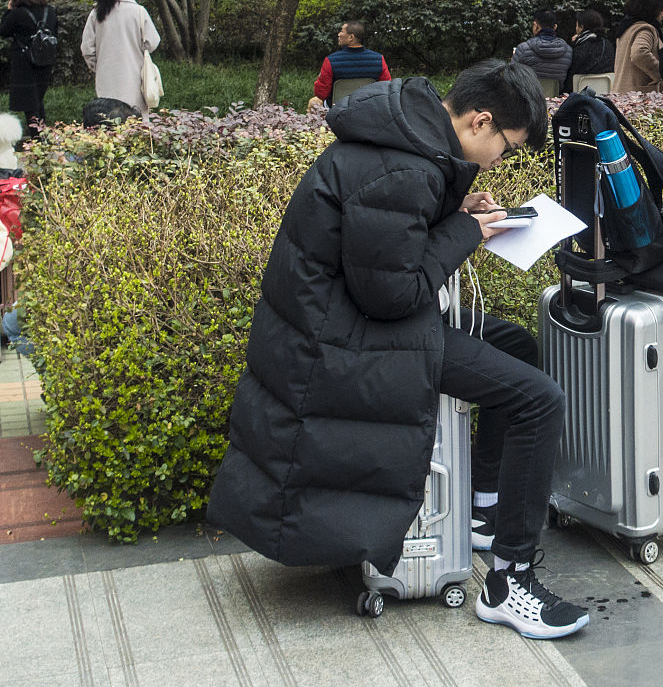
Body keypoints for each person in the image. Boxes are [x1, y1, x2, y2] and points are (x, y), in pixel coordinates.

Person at [206, 59, 590, 640]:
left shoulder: (409, 137)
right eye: (506, 148)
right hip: (349, 343)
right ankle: (510, 583)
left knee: (516, 345)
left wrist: (457, 212)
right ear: (480, 121)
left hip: (342, 322)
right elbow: (392, 295)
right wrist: (466, 231)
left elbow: (388, 238)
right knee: (540, 399)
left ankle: (485, 509)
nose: (500, 160)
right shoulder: (407, 169)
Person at [80, 0, 160, 119]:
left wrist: (98, 67)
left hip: (106, 80)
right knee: (135, 123)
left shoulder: (97, 14)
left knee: (108, 122)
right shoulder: (138, 11)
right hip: (134, 78)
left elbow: (87, 49)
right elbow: (152, 42)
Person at [1, 0, 57, 136]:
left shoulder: (17, 13)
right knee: (37, 100)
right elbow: (55, 33)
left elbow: (3, 31)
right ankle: (42, 135)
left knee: (29, 104)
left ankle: (37, 138)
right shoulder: (49, 11)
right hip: (45, 60)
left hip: (24, 63)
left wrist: (9, 10)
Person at [308, 20, 392, 111]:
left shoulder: (331, 60)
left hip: (337, 110)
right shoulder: (379, 59)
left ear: (351, 37)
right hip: (368, 109)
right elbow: (386, 88)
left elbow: (321, 93)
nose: (339, 34)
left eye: (342, 31)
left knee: (314, 102)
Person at [612, 0, 663, 93]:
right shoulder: (646, 29)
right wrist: (660, 73)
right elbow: (639, 53)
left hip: (622, 92)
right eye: (662, 10)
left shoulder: (627, 28)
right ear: (653, 9)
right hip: (640, 95)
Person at [511, 9, 572, 92]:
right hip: (556, 98)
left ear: (535, 26)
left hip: (528, 98)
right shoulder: (568, 51)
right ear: (555, 27)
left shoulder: (523, 49)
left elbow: (511, 77)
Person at [563, 9, 615, 88]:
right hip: (605, 91)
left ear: (582, 27)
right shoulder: (608, 45)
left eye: (576, 26)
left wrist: (574, 44)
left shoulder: (581, 47)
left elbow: (571, 73)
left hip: (580, 91)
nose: (576, 29)